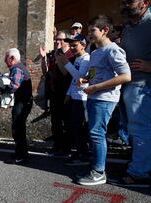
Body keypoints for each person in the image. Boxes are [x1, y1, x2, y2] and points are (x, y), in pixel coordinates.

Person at [76, 15, 131, 186]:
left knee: (97, 133)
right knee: (94, 133)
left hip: (104, 98)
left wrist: (96, 87)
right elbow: (95, 72)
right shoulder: (95, 50)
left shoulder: (113, 50)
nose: (89, 34)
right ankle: (96, 167)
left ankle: (99, 172)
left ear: (105, 30)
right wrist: (86, 79)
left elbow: (126, 76)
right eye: (89, 30)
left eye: (93, 30)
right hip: (94, 95)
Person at [115, 0, 151, 186]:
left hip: (143, 86)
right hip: (128, 83)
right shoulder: (129, 24)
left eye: (130, 1)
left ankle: (139, 173)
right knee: (132, 129)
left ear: (145, 2)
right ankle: (141, 164)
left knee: (140, 129)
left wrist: (149, 66)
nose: (125, 4)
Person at [55, 34, 90, 166]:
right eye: (71, 46)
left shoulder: (86, 59)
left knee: (80, 127)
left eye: (75, 45)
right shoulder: (77, 59)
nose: (73, 48)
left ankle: (83, 155)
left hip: (83, 98)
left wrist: (66, 63)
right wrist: (68, 93)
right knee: (74, 127)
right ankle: (80, 152)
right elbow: (73, 80)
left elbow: (80, 78)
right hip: (75, 97)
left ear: (83, 45)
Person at [4, 48, 33, 164]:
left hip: (22, 102)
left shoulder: (17, 68)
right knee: (19, 127)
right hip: (23, 101)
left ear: (12, 58)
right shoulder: (20, 67)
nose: (5, 61)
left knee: (18, 128)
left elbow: (13, 86)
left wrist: (3, 84)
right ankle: (19, 152)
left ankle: (22, 155)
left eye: (6, 58)